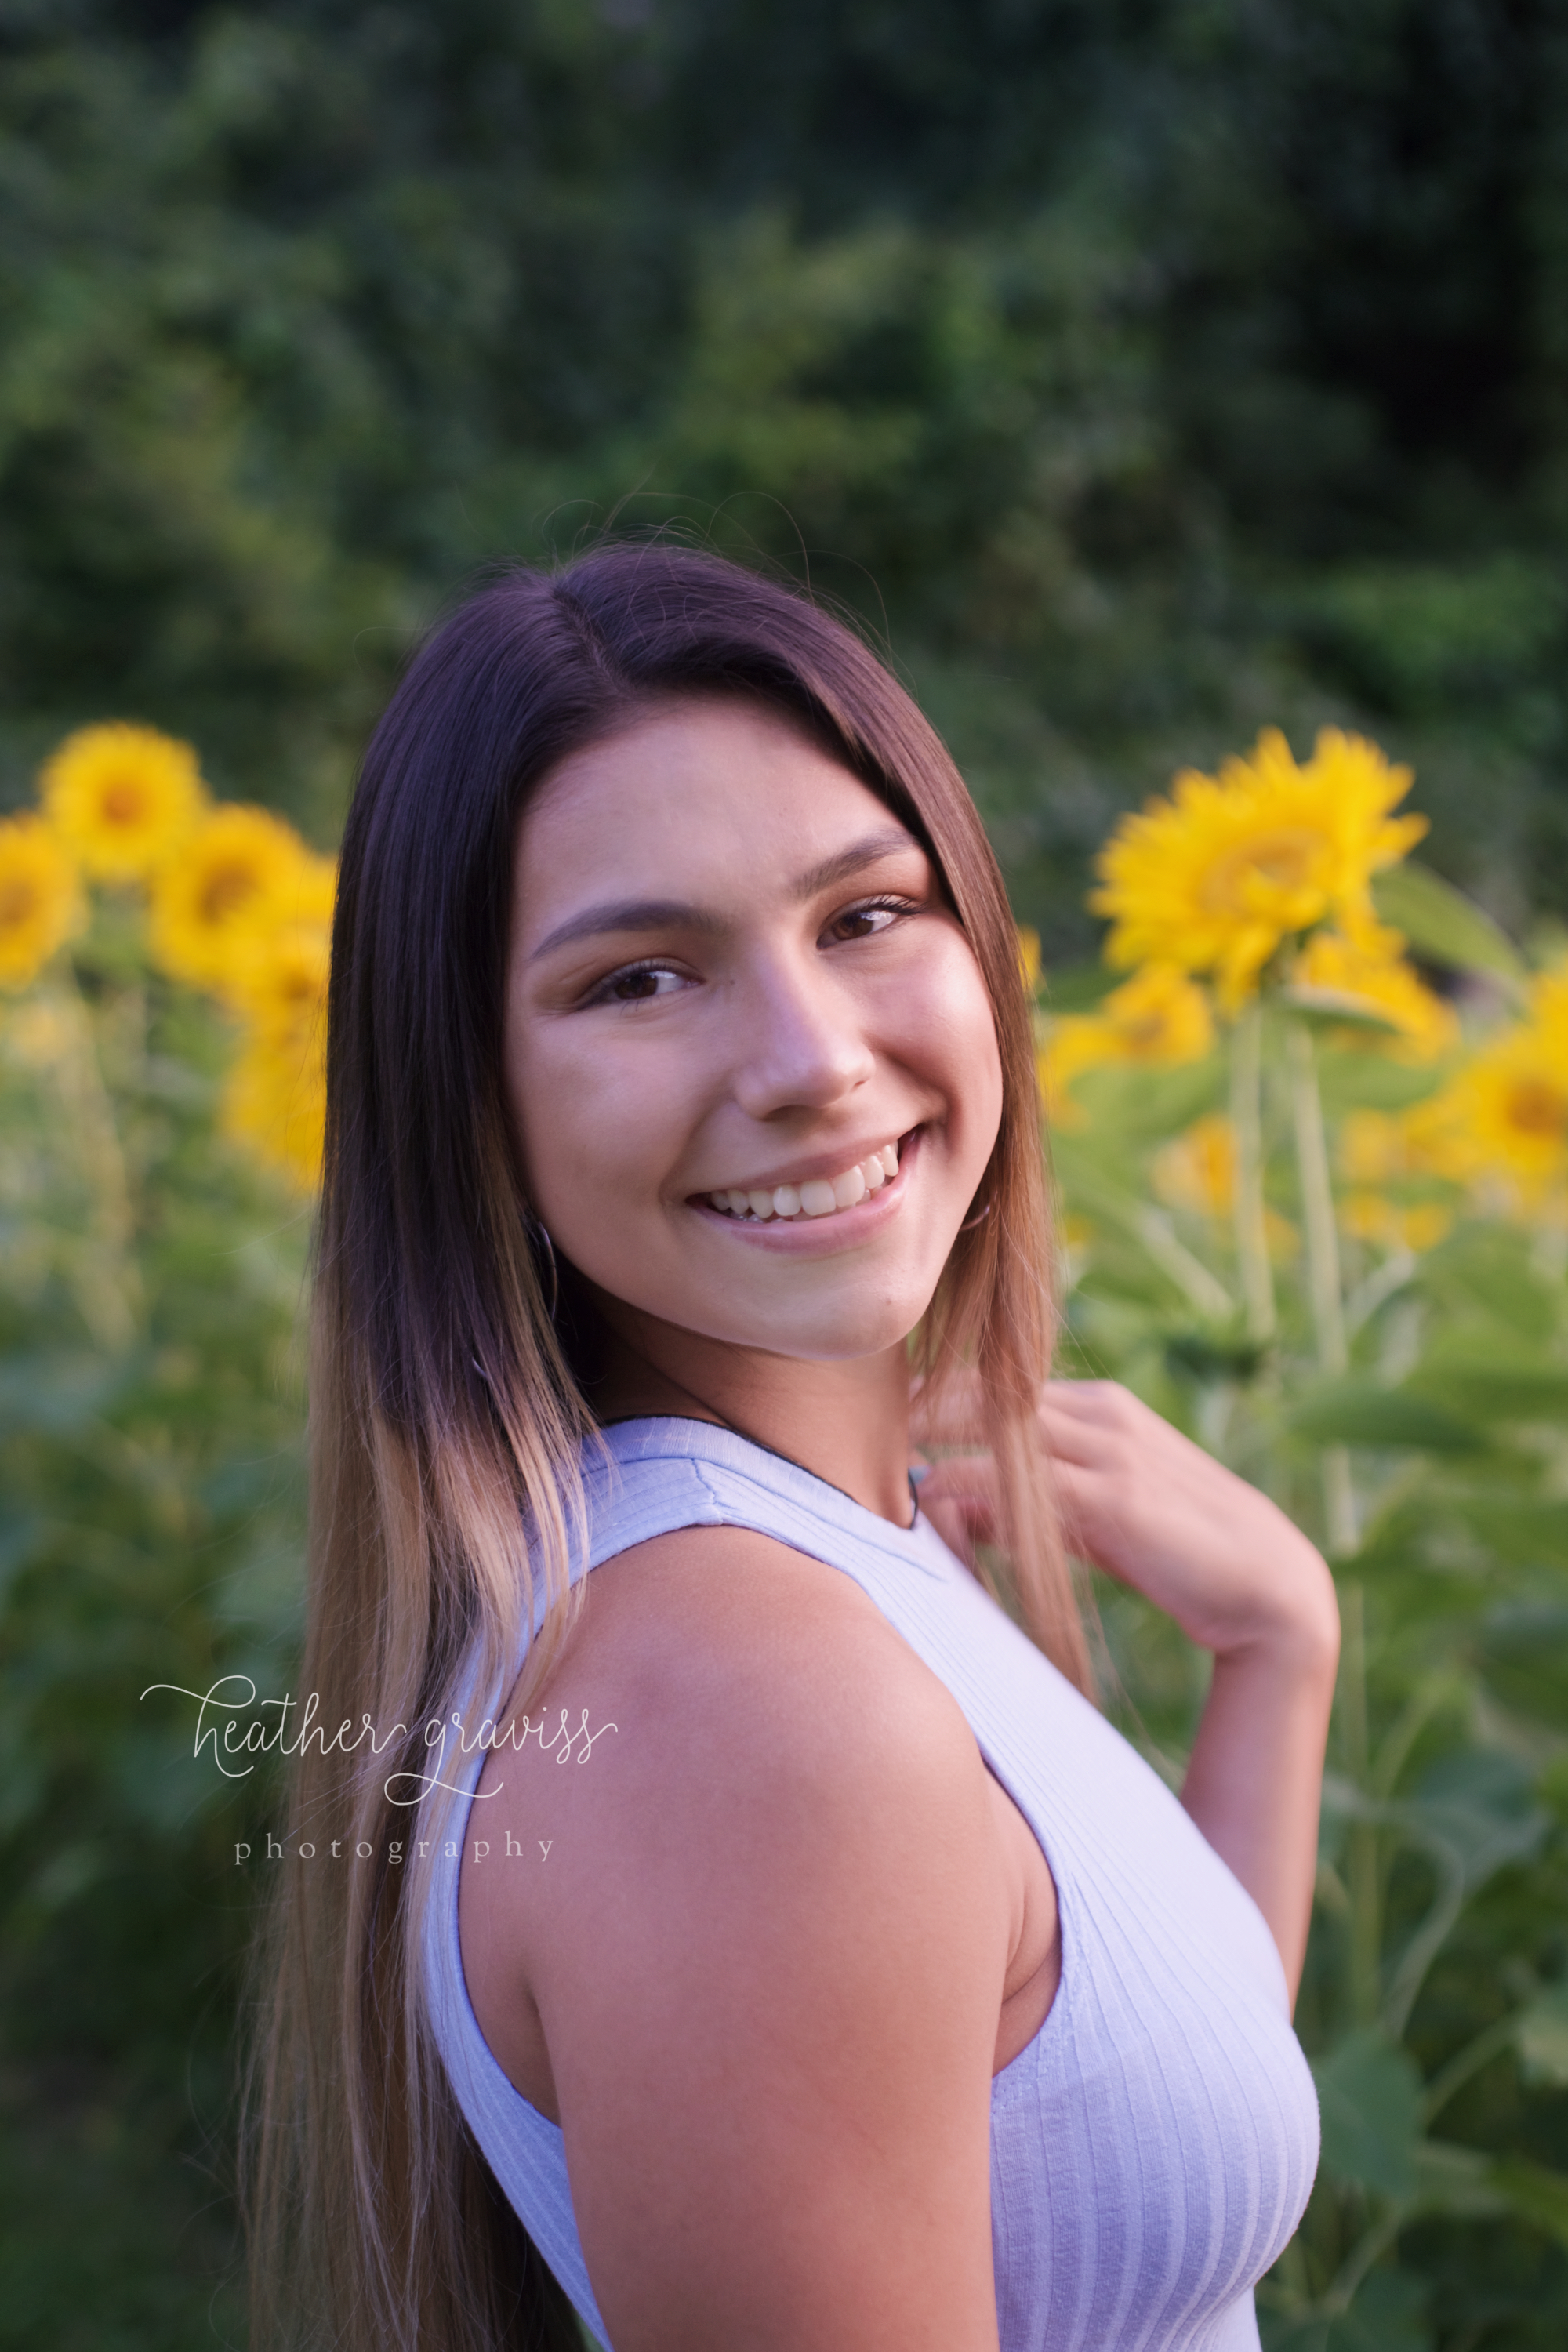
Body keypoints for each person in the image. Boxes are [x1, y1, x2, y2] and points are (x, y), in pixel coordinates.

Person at [247, 543, 1338, 2352]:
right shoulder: (747, 1713)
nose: (811, 1059)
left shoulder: (800, 1578)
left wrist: (1277, 1655)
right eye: (638, 981)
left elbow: (1093, 2146)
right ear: (470, 1116)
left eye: (863, 917)